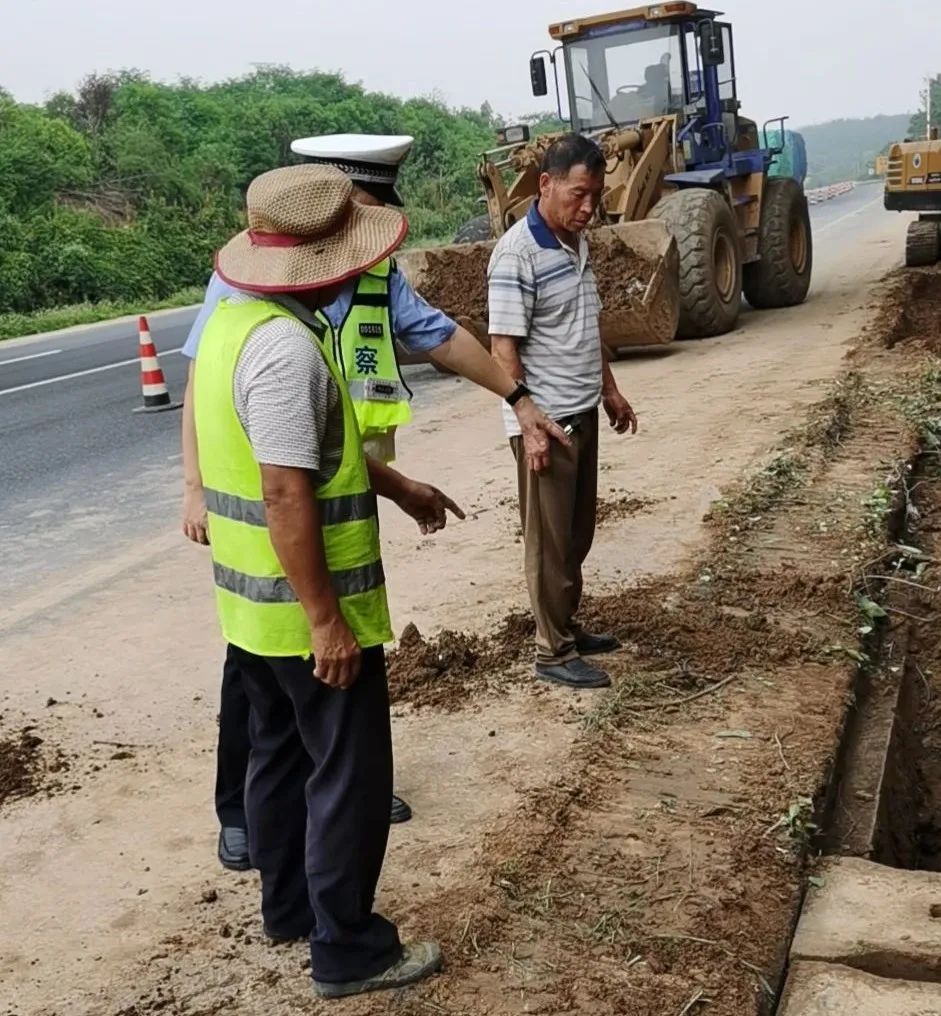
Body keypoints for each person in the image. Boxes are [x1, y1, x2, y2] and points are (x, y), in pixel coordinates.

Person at [180, 134, 568, 869]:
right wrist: (194, 487)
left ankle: (316, 814)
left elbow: (437, 335)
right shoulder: (248, 299)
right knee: (263, 669)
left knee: (306, 701)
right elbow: (211, 402)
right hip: (271, 512)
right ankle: (251, 820)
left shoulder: (366, 276)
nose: (368, 239)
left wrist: (515, 398)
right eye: (363, 217)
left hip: (336, 470)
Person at [193, 163, 450, 996]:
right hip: (305, 611)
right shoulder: (283, 348)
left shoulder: (232, 326)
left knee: (275, 756)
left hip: (248, 607)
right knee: (346, 773)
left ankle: (289, 908)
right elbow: (283, 488)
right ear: (334, 262)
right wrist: (327, 621)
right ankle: (349, 949)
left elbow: (303, 455)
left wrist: (398, 485)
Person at [488, 134, 638, 690]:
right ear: (545, 184)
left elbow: (586, 326)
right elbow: (502, 350)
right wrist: (527, 424)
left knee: (576, 535)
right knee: (549, 543)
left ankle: (567, 626)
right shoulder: (515, 255)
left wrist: (611, 390)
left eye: (595, 195)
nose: (588, 207)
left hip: (581, 412)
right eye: (579, 194)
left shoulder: (578, 243)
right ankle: (552, 652)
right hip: (545, 423)